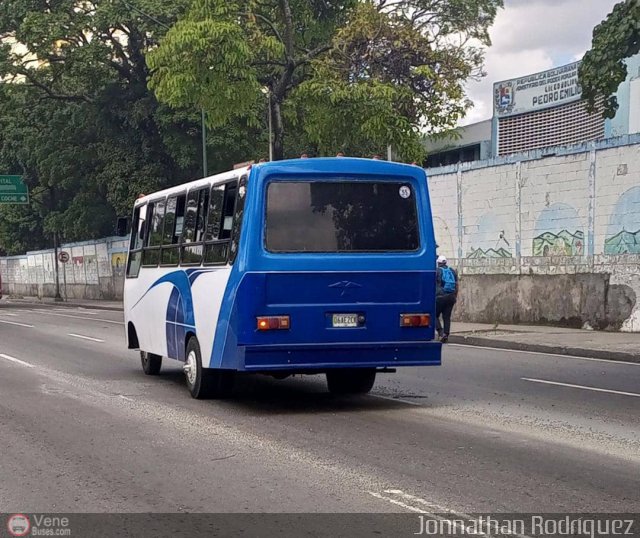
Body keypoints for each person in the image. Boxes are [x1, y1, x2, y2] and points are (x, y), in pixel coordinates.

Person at [435, 255, 458, 343]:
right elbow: (456, 285)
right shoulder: (452, 271)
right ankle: (446, 334)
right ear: (445, 262)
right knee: (447, 317)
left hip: (440, 297)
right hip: (451, 297)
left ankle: (440, 333)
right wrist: (455, 296)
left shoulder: (437, 271)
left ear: (438, 263)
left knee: (434, 315)